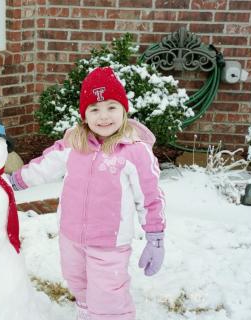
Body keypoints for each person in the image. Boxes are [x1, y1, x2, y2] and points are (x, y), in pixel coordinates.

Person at [9, 66, 165, 320]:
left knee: (108, 296)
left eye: (111, 107)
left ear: (124, 110)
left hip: (109, 243)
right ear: (84, 115)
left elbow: (150, 197)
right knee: (78, 283)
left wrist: (155, 237)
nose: (103, 117)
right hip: (72, 236)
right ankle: (86, 312)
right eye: (94, 109)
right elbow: (44, 166)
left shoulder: (135, 151)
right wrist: (13, 182)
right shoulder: (75, 143)